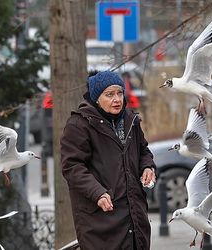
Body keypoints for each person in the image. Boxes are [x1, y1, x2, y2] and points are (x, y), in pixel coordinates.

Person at [60, 70, 156, 250]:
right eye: (109, 94)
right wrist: (97, 192)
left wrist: (147, 167)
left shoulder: (130, 119)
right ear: (97, 98)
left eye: (119, 93)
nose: (117, 99)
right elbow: (72, 166)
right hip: (100, 219)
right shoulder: (78, 124)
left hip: (135, 217)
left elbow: (143, 150)